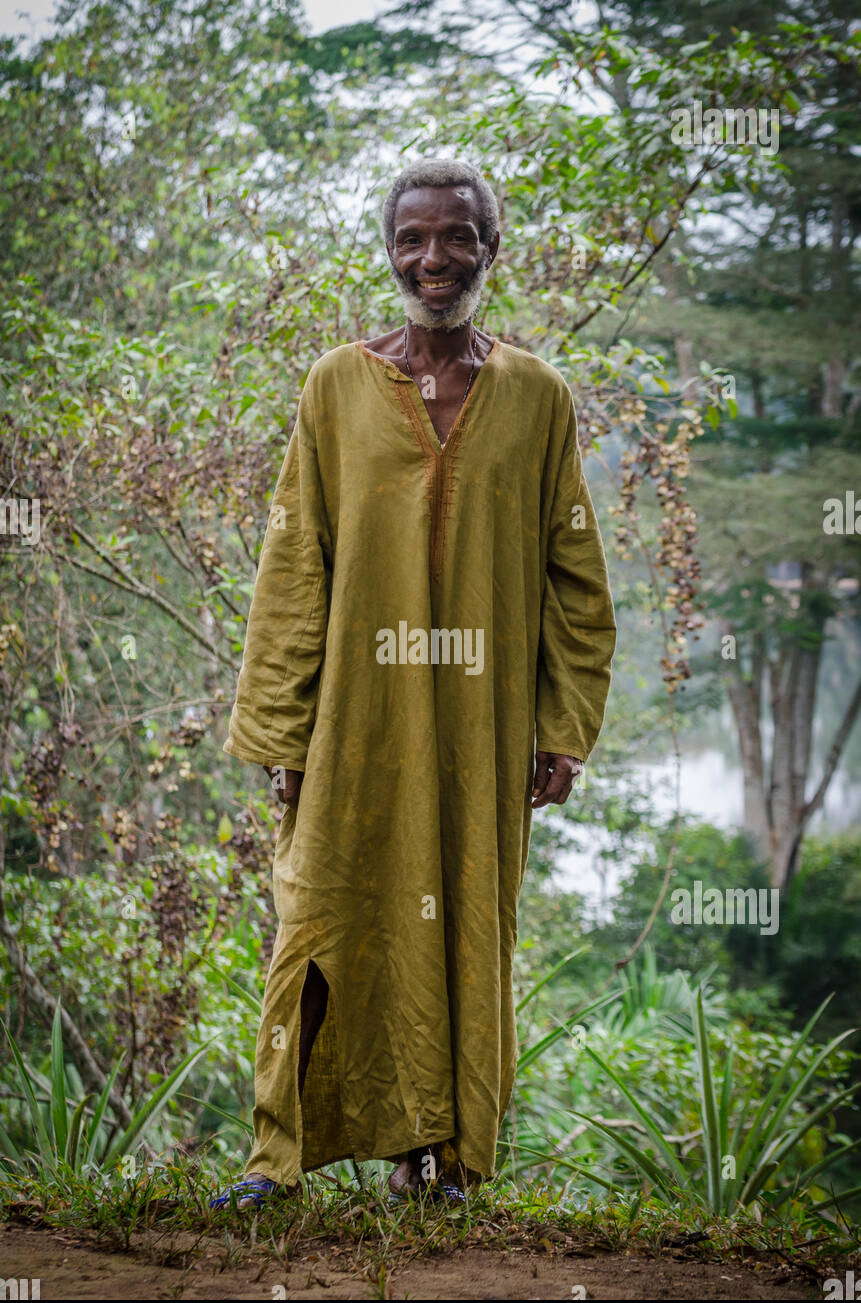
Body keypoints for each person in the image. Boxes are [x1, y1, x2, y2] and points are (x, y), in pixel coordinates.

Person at [211, 157, 616, 1211]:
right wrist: (283, 733)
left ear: (493, 248)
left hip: (478, 729)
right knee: (318, 917)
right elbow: (296, 565)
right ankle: (274, 1161)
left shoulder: (537, 397)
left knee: (463, 923)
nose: (433, 259)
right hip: (355, 719)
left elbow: (577, 574)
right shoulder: (336, 387)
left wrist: (564, 726)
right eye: (413, 239)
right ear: (389, 252)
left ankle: (436, 1159)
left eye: (456, 237)